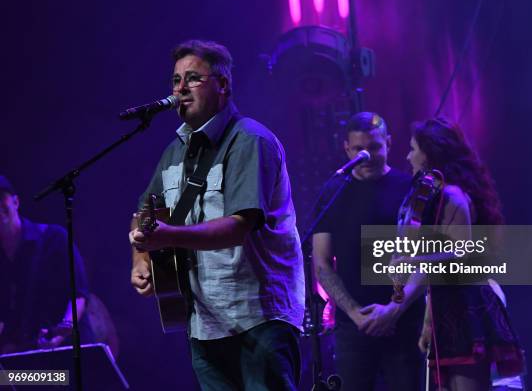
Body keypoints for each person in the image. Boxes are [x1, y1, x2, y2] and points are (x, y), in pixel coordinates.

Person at [129, 40, 305, 391]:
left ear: (222, 84)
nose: (180, 89)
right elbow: (142, 215)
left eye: (192, 78)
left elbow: (237, 228)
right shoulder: (174, 151)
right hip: (203, 323)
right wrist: (141, 258)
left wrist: (167, 236)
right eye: (175, 80)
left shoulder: (250, 141)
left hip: (258, 317)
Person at [399, 118, 525, 391]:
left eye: (413, 149)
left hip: (467, 309)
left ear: (429, 153)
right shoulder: (436, 196)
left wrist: (412, 259)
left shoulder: (453, 195)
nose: (408, 156)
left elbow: (462, 254)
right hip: (447, 309)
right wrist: (427, 324)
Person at [312, 112, 425, 390]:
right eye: (359, 149)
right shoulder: (333, 192)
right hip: (353, 327)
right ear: (346, 149)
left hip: (404, 323)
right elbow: (322, 263)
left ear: (388, 142)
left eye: (375, 147)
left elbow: (423, 259)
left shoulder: (409, 188)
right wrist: (355, 314)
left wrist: (392, 311)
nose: (368, 155)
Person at [0, 175, 89, 354]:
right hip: (25, 357)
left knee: (60, 379)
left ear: (16, 202)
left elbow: (79, 296)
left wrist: (62, 332)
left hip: (66, 352)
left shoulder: (54, 238)